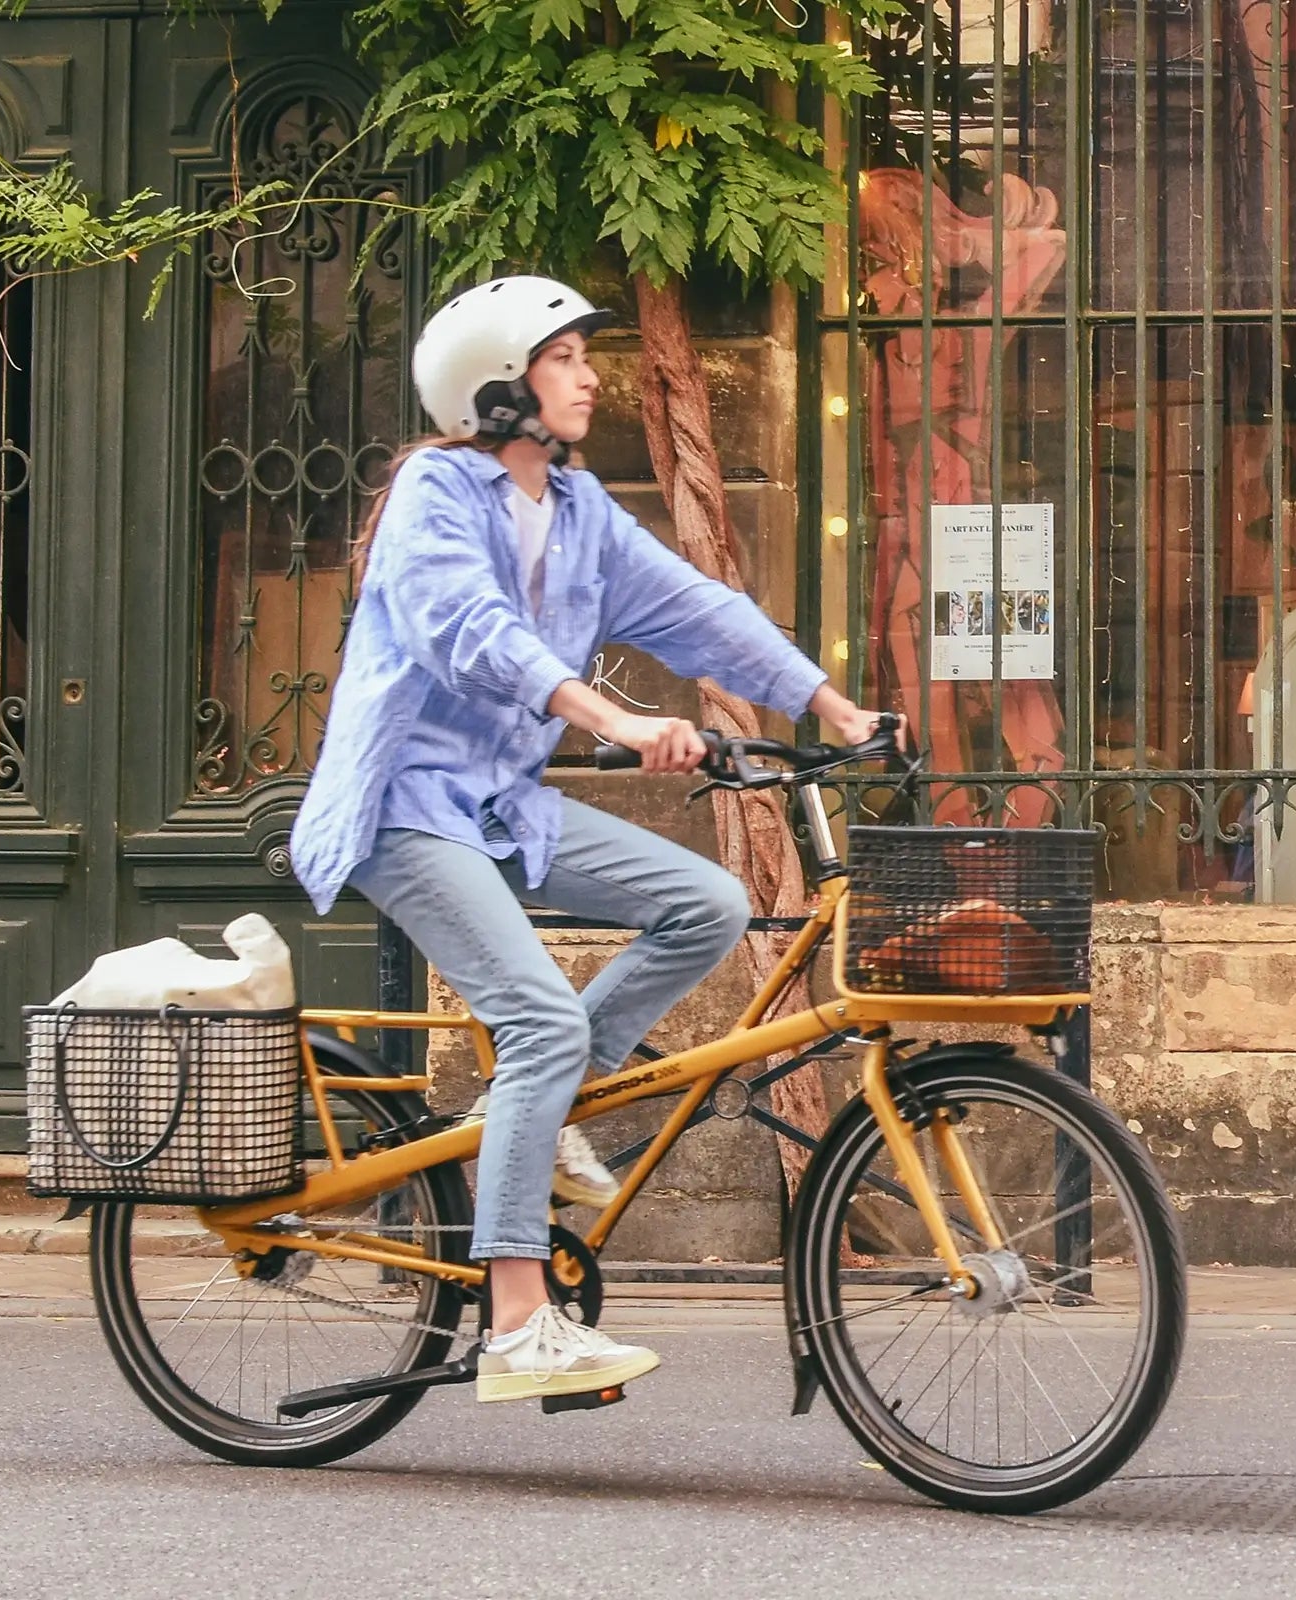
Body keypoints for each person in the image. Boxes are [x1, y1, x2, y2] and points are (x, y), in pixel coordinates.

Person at [287, 275, 881, 1403]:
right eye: (565, 357)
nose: (591, 373)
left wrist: (828, 702)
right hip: (406, 805)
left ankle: (540, 1108)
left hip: (505, 805)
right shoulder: (433, 495)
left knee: (705, 902)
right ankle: (517, 1322)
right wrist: (613, 716)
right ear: (499, 386)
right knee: (541, 1016)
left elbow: (699, 608)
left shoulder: (578, 510)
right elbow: (474, 633)